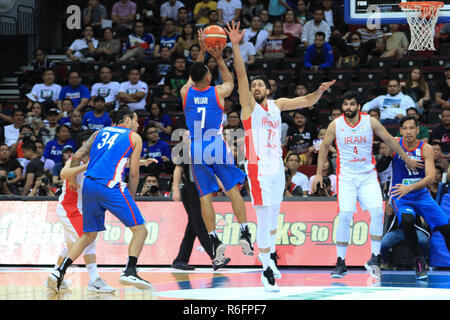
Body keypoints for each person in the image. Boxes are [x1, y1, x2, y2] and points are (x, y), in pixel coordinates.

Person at [226, 20, 335, 291]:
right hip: (258, 167)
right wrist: (236, 46)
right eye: (254, 86)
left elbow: (306, 101)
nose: (257, 87)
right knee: (263, 218)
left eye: (261, 85)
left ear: (269, 89)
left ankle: (270, 258)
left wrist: (318, 92)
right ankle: (265, 270)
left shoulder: (277, 105)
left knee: (273, 216)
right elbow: (241, 76)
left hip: (277, 167)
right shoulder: (249, 107)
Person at [312, 90, 423, 280]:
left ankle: (375, 258)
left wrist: (406, 158)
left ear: (358, 106)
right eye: (345, 104)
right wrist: (317, 174)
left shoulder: (370, 121)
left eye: (352, 104)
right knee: (345, 216)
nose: (348, 108)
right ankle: (341, 262)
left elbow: (389, 140)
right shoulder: (335, 124)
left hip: (368, 176)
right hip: (346, 177)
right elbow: (323, 147)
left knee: (378, 213)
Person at [46, 107, 152, 292]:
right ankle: (130, 270)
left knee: (88, 235)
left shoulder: (99, 132)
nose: (137, 125)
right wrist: (132, 198)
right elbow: (134, 173)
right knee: (141, 230)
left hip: (89, 186)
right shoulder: (134, 137)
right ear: (126, 120)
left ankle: (59, 272)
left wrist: (71, 178)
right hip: (111, 186)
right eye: (135, 120)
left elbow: (77, 155)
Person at [180, 29, 253, 270]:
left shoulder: (185, 92)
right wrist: (220, 58)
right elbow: (231, 82)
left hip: (195, 147)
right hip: (216, 144)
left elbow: (194, 75)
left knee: (205, 196)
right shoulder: (217, 91)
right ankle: (244, 232)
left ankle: (213, 238)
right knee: (233, 189)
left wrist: (201, 51)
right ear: (208, 78)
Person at [377, 115, 450, 279]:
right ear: (400, 130)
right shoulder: (395, 144)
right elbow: (380, 168)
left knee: (446, 228)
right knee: (408, 220)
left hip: (421, 195)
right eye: (405, 128)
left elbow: (431, 177)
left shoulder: (426, 148)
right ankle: (418, 260)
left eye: (412, 128)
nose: (408, 132)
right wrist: (388, 153)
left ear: (418, 130)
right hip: (400, 195)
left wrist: (410, 187)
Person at [171, 130, 228, 270]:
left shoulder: (202, 151)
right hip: (190, 190)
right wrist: (176, 189)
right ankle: (216, 258)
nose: (188, 137)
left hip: (202, 189)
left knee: (193, 226)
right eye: (185, 136)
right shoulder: (185, 151)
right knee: (200, 224)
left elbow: (212, 171)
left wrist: (222, 186)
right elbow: (177, 170)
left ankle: (180, 260)